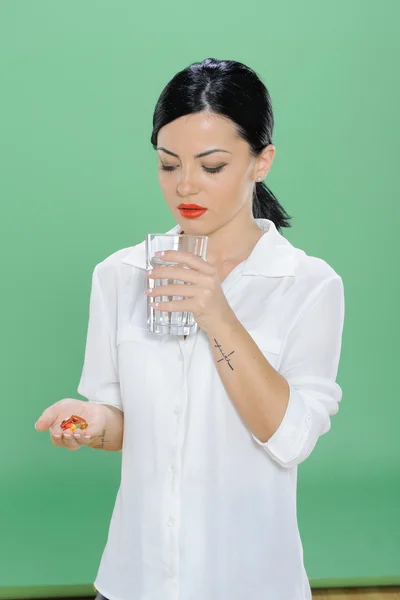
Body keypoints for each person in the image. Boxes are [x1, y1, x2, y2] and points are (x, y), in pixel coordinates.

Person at [35, 57, 345, 600]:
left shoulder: (307, 284)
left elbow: (291, 438)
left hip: (250, 582)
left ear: (261, 161)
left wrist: (217, 314)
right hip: (135, 580)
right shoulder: (120, 275)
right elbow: (127, 428)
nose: (185, 186)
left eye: (212, 165)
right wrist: (88, 421)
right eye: (168, 164)